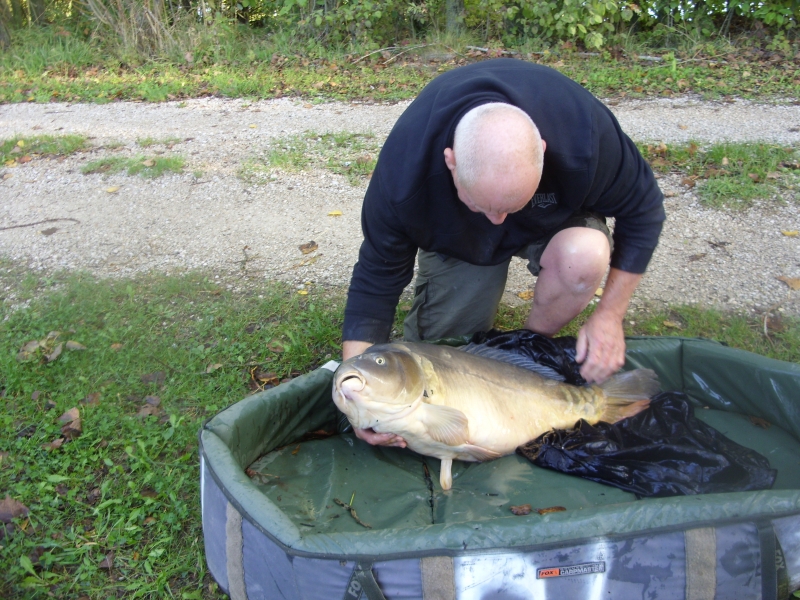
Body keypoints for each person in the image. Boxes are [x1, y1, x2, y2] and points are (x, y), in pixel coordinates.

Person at [342, 58, 665, 448]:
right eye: (483, 205)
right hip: (457, 238)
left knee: (585, 254)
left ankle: (524, 357)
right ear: (452, 162)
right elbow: (376, 279)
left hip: (552, 219)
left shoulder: (584, 136)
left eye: (509, 206)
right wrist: (354, 397)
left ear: (543, 153)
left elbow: (644, 210)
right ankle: (492, 354)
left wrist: (610, 315)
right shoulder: (404, 174)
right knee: (443, 356)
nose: (497, 221)